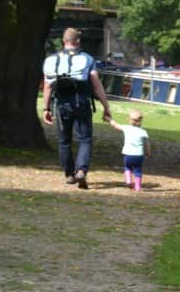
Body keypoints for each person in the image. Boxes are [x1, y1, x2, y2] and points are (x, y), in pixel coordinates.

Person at [42, 28, 112, 189]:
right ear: (78, 41)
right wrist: (105, 106)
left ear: (63, 40)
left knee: (64, 141)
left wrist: (46, 108)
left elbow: (47, 86)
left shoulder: (51, 59)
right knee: (85, 139)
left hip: (61, 104)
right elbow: (95, 84)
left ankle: (69, 175)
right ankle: (81, 170)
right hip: (81, 102)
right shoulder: (87, 59)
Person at [105, 109, 151, 191]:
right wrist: (148, 152)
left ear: (129, 120)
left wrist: (108, 119)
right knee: (138, 170)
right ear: (141, 121)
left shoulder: (126, 128)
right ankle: (137, 187)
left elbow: (115, 125)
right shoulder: (143, 132)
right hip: (138, 155)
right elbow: (147, 144)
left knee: (128, 167)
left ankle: (129, 181)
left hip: (128, 154)